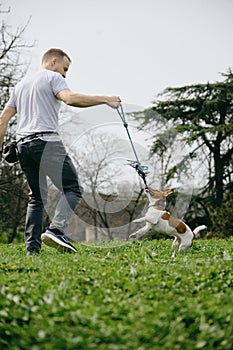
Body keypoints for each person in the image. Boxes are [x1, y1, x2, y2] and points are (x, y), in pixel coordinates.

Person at [0, 48, 121, 255]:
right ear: (53, 61)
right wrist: (105, 99)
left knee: (36, 198)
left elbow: (3, 119)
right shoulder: (52, 78)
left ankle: (32, 250)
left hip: (23, 146)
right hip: (46, 143)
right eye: (65, 69)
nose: (65, 74)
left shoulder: (20, 85)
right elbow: (70, 98)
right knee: (73, 188)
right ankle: (56, 230)